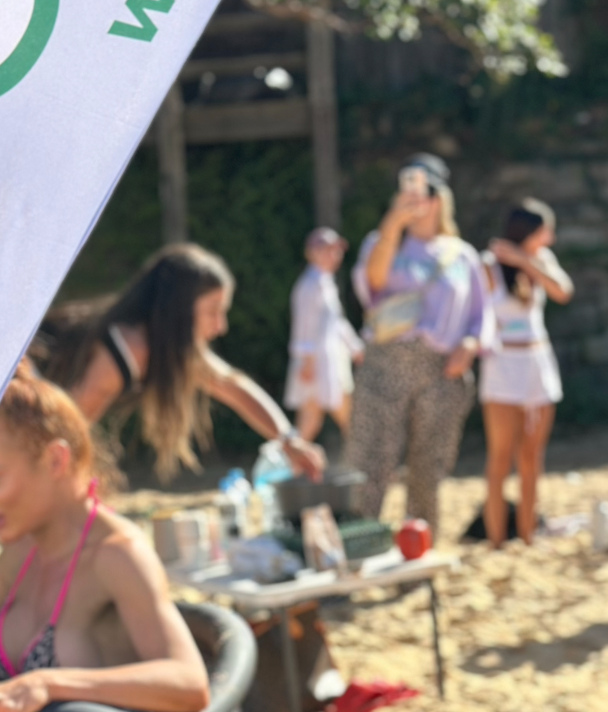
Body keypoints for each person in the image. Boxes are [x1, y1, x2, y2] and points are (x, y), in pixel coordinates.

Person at [0, 366, 210, 712]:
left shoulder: (117, 556)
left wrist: (48, 684)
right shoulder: (20, 550)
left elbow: (188, 684)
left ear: (56, 460)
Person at [34, 243, 325, 482]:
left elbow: (234, 388)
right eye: (213, 311)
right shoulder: (127, 349)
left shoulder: (164, 345)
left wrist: (289, 440)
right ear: (179, 311)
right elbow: (65, 434)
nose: (221, 326)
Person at [348, 154, 494, 539]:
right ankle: (361, 551)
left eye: (422, 190)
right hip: (386, 363)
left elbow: (482, 313)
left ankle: (419, 556)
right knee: (370, 465)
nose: (414, 197)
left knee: (428, 470)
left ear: (439, 197)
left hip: (442, 369)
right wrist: (392, 223)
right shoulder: (382, 242)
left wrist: (470, 343)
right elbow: (373, 285)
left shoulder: (462, 254)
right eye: (406, 189)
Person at [479, 199, 573, 547]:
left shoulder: (539, 261)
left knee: (532, 456)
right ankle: (496, 539)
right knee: (500, 457)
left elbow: (563, 291)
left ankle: (529, 534)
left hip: (537, 361)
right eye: (543, 230)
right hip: (503, 365)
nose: (549, 237)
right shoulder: (488, 266)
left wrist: (524, 262)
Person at [285, 227, 364, 443]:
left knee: (342, 417)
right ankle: (276, 471)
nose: (333, 255)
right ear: (311, 253)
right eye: (326, 250)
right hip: (317, 365)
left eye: (335, 250)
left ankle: (368, 466)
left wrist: (355, 347)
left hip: (330, 363)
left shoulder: (324, 282)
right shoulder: (309, 285)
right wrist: (307, 361)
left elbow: (337, 323)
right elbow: (303, 326)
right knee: (310, 423)